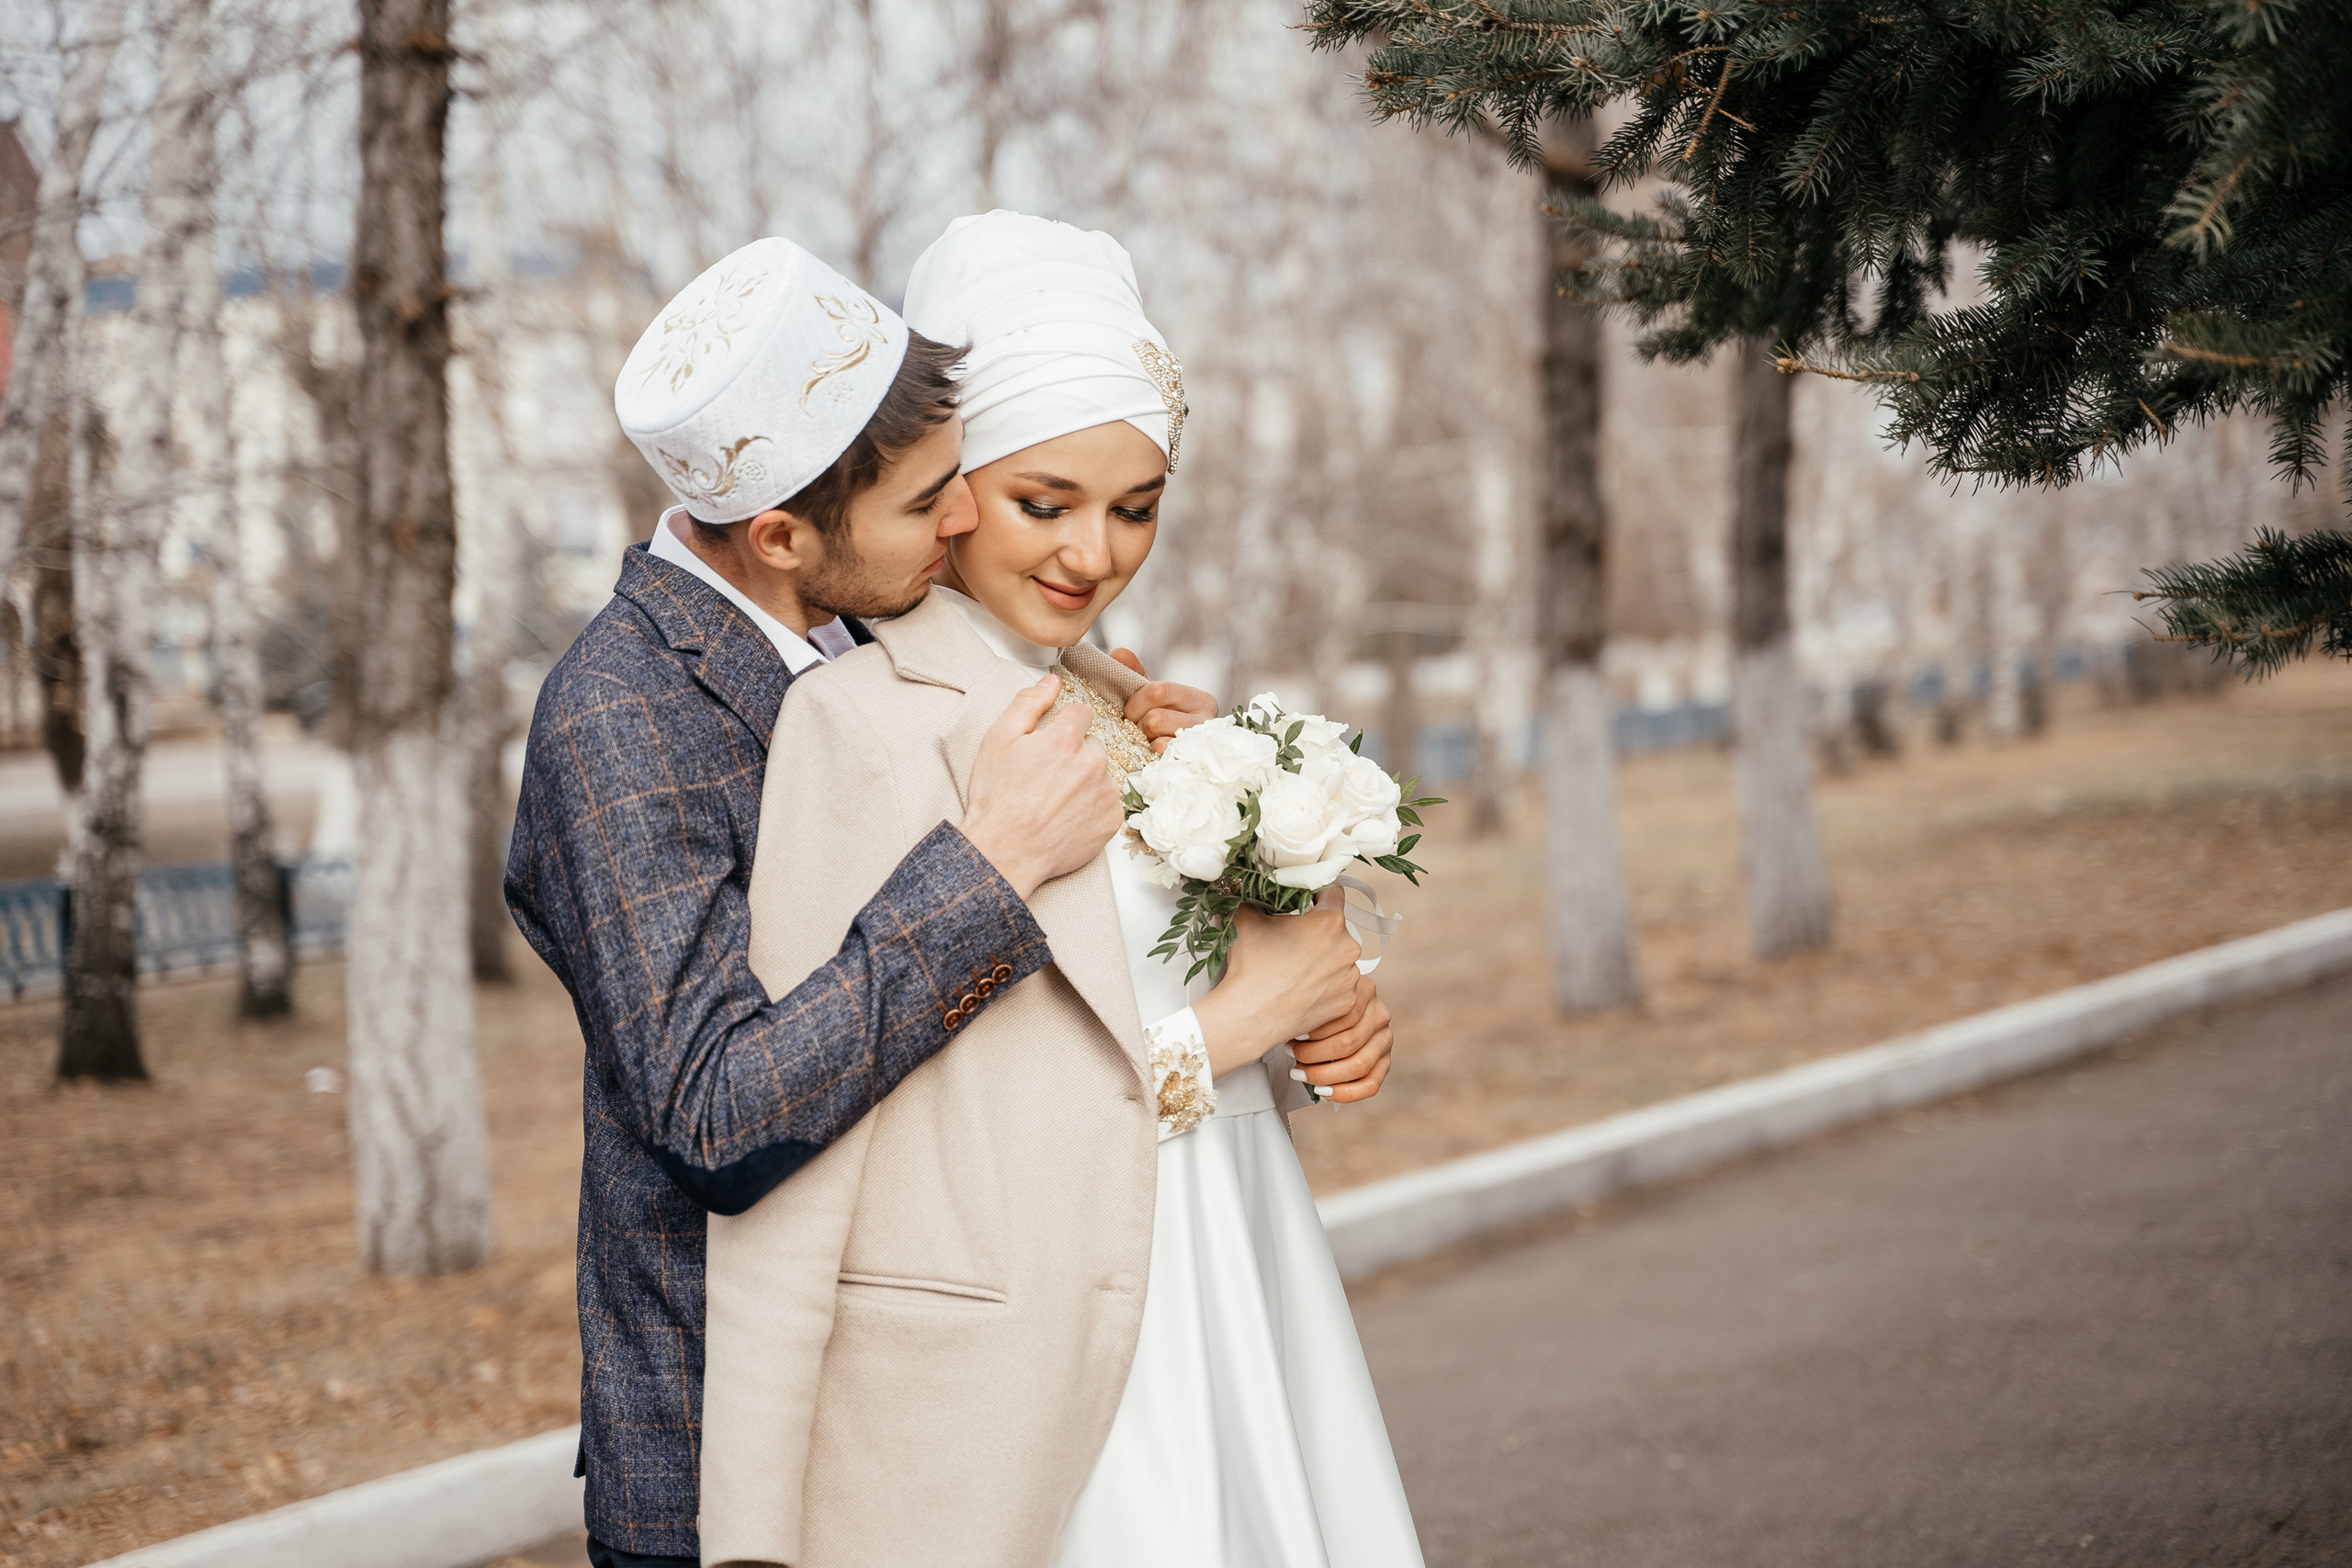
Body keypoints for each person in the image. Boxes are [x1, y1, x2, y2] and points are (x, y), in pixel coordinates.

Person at [697, 213, 1419, 1568]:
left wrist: (1317, 1033)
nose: (1095, 555)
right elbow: (847, 1132)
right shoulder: (861, 724)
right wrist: (749, 1531)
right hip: (1048, 1362)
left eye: (1136, 508)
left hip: (1241, 1283)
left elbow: (1139, 995)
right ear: (953, 492)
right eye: (1047, 505)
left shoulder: (1127, 703)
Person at [503, 235, 1224, 1568]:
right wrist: (986, 868)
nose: (961, 526)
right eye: (927, 502)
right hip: (724, 1447)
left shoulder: (848, 624)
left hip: (916, 1414)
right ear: (780, 534)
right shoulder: (621, 716)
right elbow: (718, 1112)